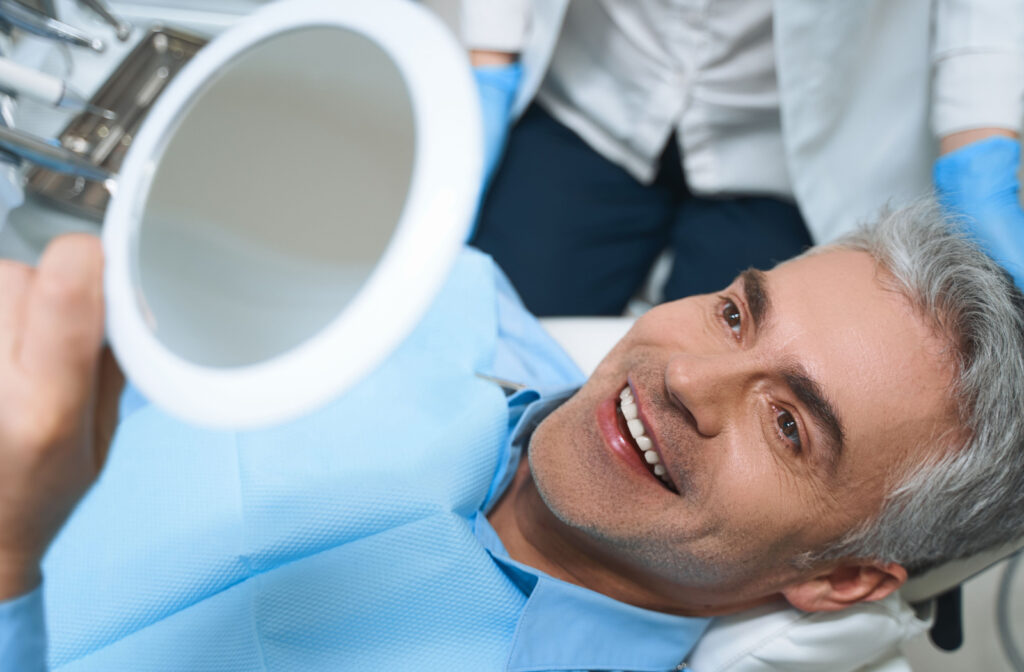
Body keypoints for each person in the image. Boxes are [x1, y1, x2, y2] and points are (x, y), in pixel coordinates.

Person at [1, 202, 1024, 670]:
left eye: (789, 424)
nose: (684, 378)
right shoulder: (429, 295)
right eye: (735, 313)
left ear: (841, 580)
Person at [465, 0, 1024, 316]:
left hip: (787, 147)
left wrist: (980, 138)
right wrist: (489, 51)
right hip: (597, 88)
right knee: (488, 338)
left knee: (722, 414)